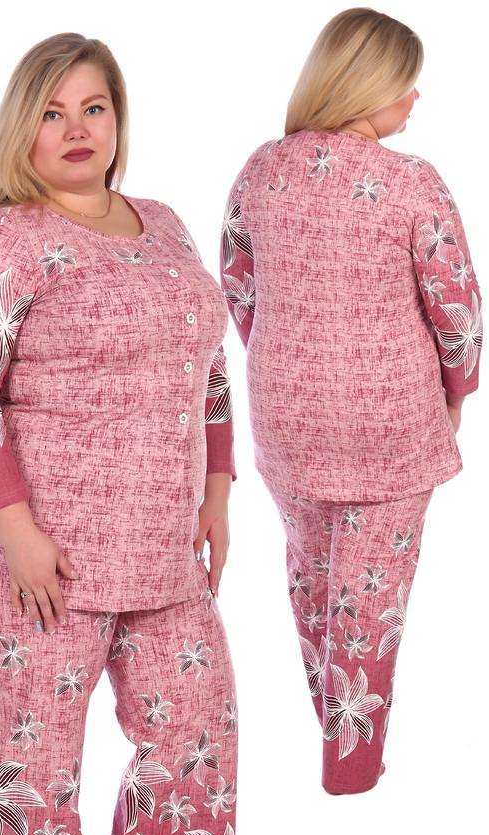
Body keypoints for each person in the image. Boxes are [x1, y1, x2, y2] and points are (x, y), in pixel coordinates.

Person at [0, 33, 238, 835]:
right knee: (37, 747)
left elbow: (209, 366)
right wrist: (15, 529)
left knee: (195, 726)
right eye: (53, 112)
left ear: (117, 120)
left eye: (93, 108)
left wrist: (219, 488)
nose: (76, 128)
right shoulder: (5, 240)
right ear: (21, 129)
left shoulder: (167, 225)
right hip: (45, 554)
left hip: (163, 545)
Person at [220, 8, 481, 795]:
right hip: (388, 423)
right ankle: (353, 769)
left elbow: (238, 286)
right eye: (406, 82)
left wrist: (285, 358)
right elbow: (459, 310)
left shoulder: (262, 170)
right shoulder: (411, 181)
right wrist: (456, 389)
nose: (415, 96)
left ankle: (337, 739)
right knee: (370, 602)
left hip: (288, 419)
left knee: (314, 582)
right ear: (366, 85)